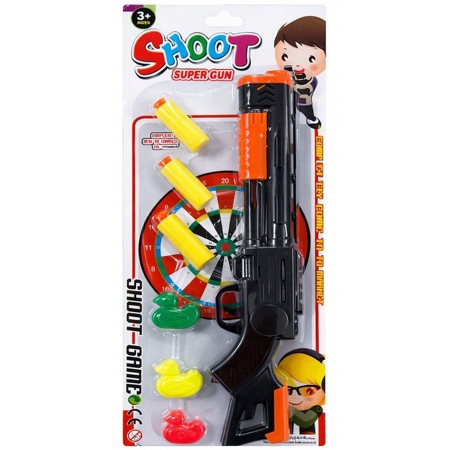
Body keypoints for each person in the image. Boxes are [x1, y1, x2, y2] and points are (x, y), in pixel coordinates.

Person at [274, 16, 326, 129]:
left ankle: (311, 118)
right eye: (285, 56)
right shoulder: (285, 77)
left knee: (306, 110)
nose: (297, 64)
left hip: (303, 101)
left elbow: (306, 88)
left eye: (311, 59)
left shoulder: (311, 81)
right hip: (285, 106)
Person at [275, 348, 325, 435]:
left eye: (308, 391)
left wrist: (287, 409)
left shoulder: (316, 409)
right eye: (288, 390)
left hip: (308, 439)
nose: (294, 396)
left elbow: (305, 421)